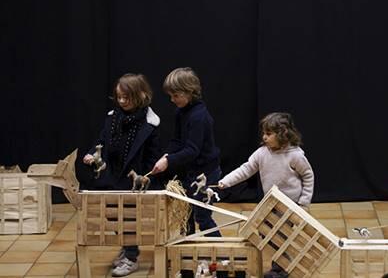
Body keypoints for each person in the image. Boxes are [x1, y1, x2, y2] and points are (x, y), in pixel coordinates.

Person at [83, 73, 161, 277]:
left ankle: (131, 257)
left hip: (132, 179)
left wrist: (146, 177)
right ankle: (127, 248)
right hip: (111, 175)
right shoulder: (113, 118)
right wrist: (92, 154)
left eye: (126, 97)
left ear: (140, 95)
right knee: (113, 215)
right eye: (119, 97)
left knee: (128, 218)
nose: (122, 101)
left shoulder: (149, 124)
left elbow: (152, 156)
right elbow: (101, 141)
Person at [218, 112, 314, 278]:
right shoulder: (262, 153)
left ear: (283, 134)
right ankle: (280, 265)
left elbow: (308, 176)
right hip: (270, 203)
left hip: (289, 206)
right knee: (266, 234)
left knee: (280, 237)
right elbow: (246, 169)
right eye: (264, 133)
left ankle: (280, 270)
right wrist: (226, 182)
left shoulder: (295, 155)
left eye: (269, 134)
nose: (264, 137)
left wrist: (303, 203)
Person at [150, 67, 221, 237]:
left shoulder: (199, 117)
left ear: (190, 92)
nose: (172, 99)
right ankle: (187, 247)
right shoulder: (180, 112)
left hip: (205, 174)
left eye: (176, 95)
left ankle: (219, 249)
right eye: (170, 95)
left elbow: (192, 150)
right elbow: (176, 141)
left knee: (202, 217)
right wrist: (166, 155)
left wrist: (168, 161)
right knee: (186, 213)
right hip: (190, 172)